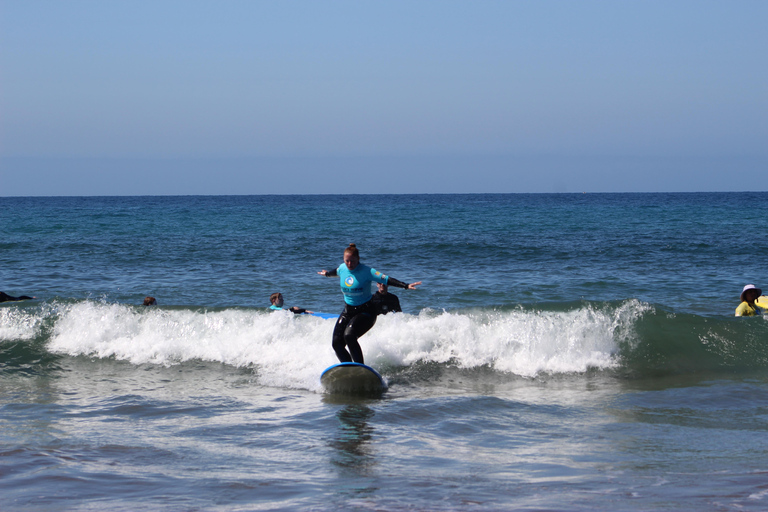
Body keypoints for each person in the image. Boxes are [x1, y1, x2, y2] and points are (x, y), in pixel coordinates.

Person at [318, 243, 421, 364]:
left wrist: (405, 285)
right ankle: (348, 368)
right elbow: (335, 271)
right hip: (348, 311)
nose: (349, 264)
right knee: (336, 344)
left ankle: (360, 368)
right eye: (347, 261)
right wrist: (327, 274)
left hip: (366, 311)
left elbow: (386, 279)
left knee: (349, 335)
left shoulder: (367, 271)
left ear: (358, 259)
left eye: (352, 261)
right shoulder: (342, 268)